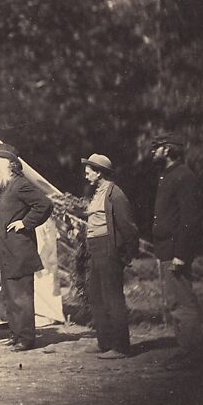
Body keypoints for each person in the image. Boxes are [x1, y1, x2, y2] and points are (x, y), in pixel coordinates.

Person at [0, 144, 54, 351]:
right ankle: (16, 334)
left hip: (19, 251)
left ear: (10, 164)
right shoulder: (6, 187)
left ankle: (26, 338)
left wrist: (25, 223)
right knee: (9, 295)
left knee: (21, 297)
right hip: (6, 251)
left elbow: (44, 205)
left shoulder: (21, 185)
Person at [151, 134, 203, 370]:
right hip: (166, 249)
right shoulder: (168, 176)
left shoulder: (183, 177)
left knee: (182, 302)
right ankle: (186, 351)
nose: (152, 152)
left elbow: (189, 220)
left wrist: (181, 253)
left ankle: (194, 355)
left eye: (156, 148)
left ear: (168, 149)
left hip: (175, 250)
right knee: (174, 302)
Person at [80, 153, 140, 359]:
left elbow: (128, 227)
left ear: (99, 172)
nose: (86, 173)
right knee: (96, 296)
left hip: (109, 248)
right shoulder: (96, 192)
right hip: (95, 248)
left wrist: (125, 254)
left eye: (89, 170)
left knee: (112, 297)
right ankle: (104, 342)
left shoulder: (115, 194)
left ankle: (121, 347)